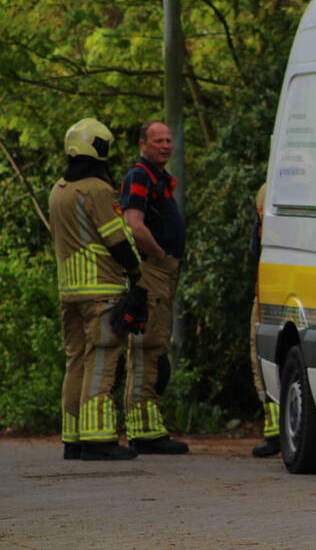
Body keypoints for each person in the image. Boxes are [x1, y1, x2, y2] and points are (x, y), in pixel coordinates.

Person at [49, 118, 143, 461]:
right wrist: (137, 274)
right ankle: (98, 438)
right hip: (101, 288)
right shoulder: (98, 190)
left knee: (75, 360)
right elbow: (117, 239)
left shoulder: (58, 190)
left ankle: (73, 438)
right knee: (102, 359)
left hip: (69, 291)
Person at [120, 120, 189, 454]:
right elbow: (134, 225)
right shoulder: (140, 176)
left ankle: (148, 426)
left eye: (168, 140)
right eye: (158, 140)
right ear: (142, 144)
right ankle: (143, 431)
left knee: (157, 345)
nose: (165, 145)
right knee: (147, 347)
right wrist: (159, 255)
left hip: (164, 272)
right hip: (154, 271)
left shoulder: (157, 178)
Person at [249, 182, 281, 457]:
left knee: (261, 351)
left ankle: (275, 429)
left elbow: (261, 240)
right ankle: (277, 428)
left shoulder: (270, 188)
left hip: (272, 282)